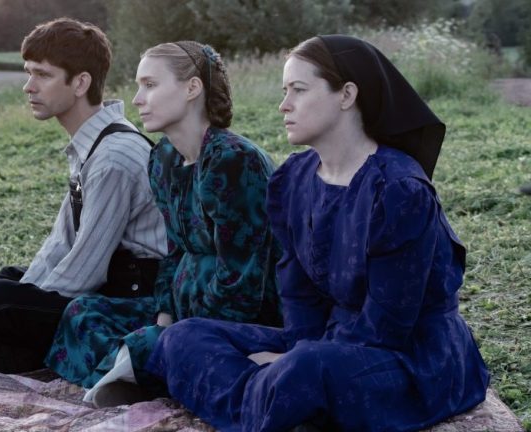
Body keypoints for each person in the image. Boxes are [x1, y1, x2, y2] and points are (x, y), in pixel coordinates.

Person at [147, 35, 490, 431]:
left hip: (409, 359)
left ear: (346, 95)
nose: (284, 105)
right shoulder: (293, 179)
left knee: (304, 370)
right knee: (183, 338)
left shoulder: (397, 190)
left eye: (299, 90)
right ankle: (276, 405)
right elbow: (298, 296)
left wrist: (292, 361)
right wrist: (292, 352)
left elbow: (387, 327)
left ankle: (269, 401)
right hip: (324, 344)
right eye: (284, 91)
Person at [44, 41, 282, 407]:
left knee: (158, 345)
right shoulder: (163, 158)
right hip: (183, 310)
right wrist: (164, 318)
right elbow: (174, 252)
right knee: (82, 314)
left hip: (239, 318)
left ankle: (147, 369)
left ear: (191, 89)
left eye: (150, 85)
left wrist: (178, 336)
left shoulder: (233, 161)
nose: (137, 99)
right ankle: (147, 371)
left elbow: (244, 280)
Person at [0, 18, 167, 374]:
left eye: (43, 75)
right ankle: (35, 348)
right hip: (110, 278)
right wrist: (29, 291)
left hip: (134, 298)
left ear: (80, 83)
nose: (28, 87)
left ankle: (44, 348)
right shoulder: (92, 144)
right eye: (28, 73)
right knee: (7, 283)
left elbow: (85, 269)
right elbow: (62, 241)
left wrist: (25, 306)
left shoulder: (114, 157)